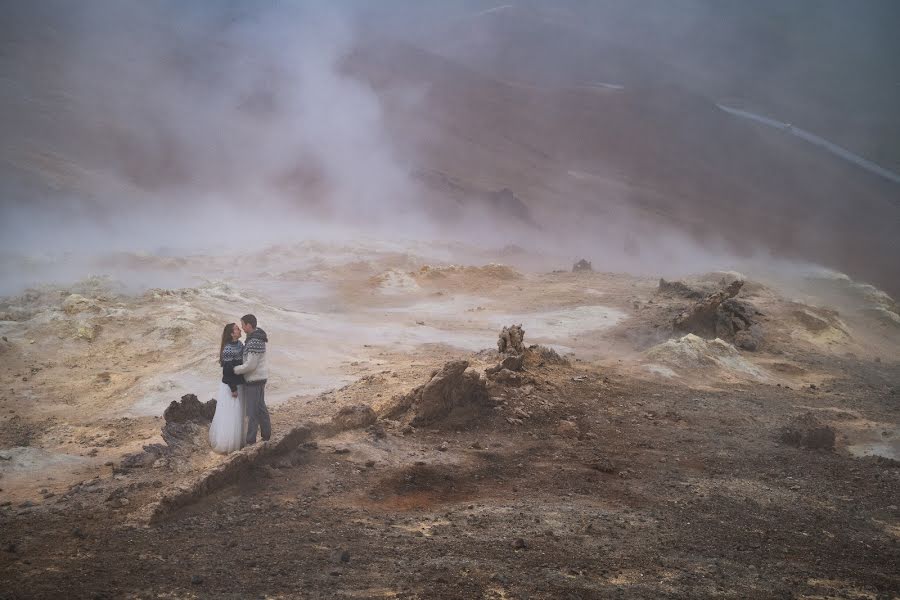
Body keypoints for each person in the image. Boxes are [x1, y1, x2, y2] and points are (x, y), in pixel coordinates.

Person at [209, 323, 247, 454]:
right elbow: (227, 371)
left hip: (239, 384)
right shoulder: (228, 349)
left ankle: (238, 442)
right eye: (237, 329)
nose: (240, 329)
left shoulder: (240, 344)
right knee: (231, 415)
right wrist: (233, 389)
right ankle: (227, 444)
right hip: (231, 386)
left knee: (239, 414)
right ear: (231, 333)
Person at [234, 313, 271, 444]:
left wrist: (236, 369)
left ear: (249, 325)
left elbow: (251, 365)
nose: (242, 328)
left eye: (243, 325)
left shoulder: (254, 341)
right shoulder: (255, 338)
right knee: (260, 408)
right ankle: (266, 436)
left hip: (255, 380)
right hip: (259, 378)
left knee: (252, 412)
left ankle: (250, 441)